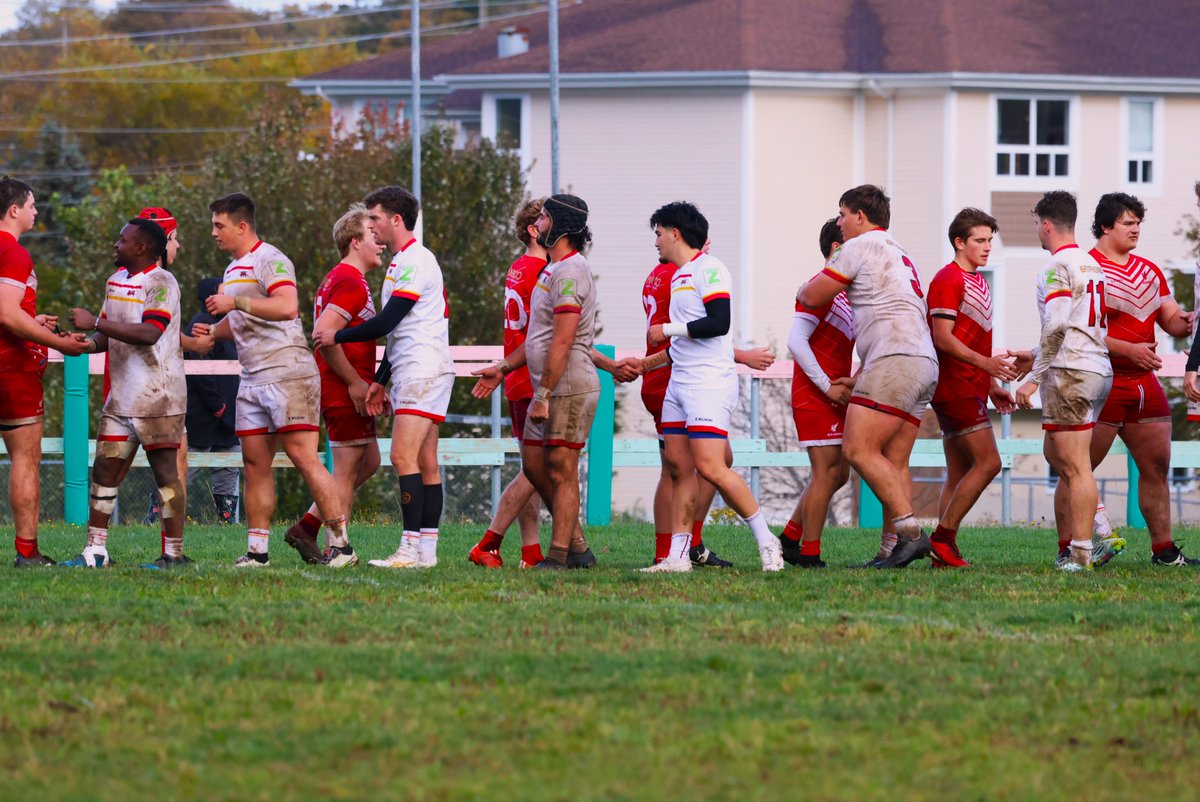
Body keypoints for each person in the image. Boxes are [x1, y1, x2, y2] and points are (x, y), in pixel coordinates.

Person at [203, 192, 350, 567]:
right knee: (254, 464)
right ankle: (257, 552)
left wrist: (234, 303)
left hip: (288, 371)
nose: (214, 233)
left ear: (241, 226)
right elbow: (240, 324)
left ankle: (342, 546)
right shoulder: (232, 269)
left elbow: (286, 307)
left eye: (219, 225)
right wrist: (205, 335)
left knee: (303, 456)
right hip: (252, 376)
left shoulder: (271, 258)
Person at [799, 185, 939, 568]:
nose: (840, 223)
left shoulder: (858, 246)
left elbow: (812, 296)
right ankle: (891, 548)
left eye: (842, 214)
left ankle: (911, 535)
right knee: (894, 461)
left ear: (861, 216)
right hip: (923, 361)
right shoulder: (899, 250)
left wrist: (802, 286)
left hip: (895, 360)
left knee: (857, 449)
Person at [315, 186, 454, 569]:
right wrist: (380, 378)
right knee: (426, 460)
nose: (370, 224)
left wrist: (337, 335)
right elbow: (398, 333)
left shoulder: (415, 260)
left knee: (401, 455)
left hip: (423, 369)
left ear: (395, 220)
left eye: (374, 217)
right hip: (416, 367)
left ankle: (409, 548)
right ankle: (426, 552)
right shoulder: (400, 262)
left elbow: (389, 320)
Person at [643, 201, 782, 572]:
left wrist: (666, 330)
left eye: (658, 233)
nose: (655, 241)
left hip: (708, 383)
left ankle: (768, 542)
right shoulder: (676, 276)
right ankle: (677, 557)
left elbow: (718, 323)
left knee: (712, 467)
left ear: (676, 233)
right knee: (678, 468)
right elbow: (682, 342)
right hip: (680, 382)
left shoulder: (712, 268)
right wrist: (644, 364)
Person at [469, 194, 602, 570]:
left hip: (567, 386)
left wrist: (543, 393)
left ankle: (559, 555)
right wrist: (504, 367)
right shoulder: (550, 268)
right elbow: (537, 338)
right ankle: (576, 546)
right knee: (534, 464)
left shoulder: (572, 270)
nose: (537, 224)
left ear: (560, 225)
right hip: (544, 384)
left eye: (543, 218)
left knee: (562, 468)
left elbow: (563, 339)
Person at [62, 217, 190, 568]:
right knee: (104, 470)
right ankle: (96, 551)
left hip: (159, 397)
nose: (115, 246)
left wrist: (96, 323)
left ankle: (173, 555)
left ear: (141, 247)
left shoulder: (162, 282)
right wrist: (86, 344)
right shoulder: (115, 281)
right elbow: (107, 335)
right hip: (121, 399)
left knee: (165, 473)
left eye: (122, 241)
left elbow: (151, 332)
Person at [1089, 193, 1196, 566]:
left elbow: (1170, 319)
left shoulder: (1148, 269)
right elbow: (1078, 329)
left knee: (1156, 468)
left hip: (1144, 384)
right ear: (1105, 226)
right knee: (1078, 469)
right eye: (1127, 223)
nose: (1136, 229)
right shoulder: (1085, 267)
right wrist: (1126, 349)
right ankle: (1071, 549)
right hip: (1101, 381)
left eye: (1138, 223)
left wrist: (1190, 320)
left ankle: (1164, 551)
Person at [1013, 191, 1113, 572]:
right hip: (1097, 367)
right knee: (1056, 454)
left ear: (1047, 224)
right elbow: (1076, 325)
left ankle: (1084, 552)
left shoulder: (1055, 267)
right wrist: (1034, 355)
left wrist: (1033, 380)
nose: (1036, 230)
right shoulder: (1091, 263)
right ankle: (1102, 528)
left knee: (1074, 467)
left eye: (1037, 223)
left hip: (1071, 372)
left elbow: (1056, 325)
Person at [0, 176, 91, 567]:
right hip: (10, 367)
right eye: (32, 205)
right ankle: (27, 552)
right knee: (25, 458)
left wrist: (34, 321)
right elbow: (5, 314)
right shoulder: (14, 253)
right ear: (14, 210)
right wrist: (59, 344)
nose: (37, 212)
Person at [293, 204, 385, 568]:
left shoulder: (341, 277)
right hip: (343, 388)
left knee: (371, 460)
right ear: (354, 241)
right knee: (345, 470)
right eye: (371, 232)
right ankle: (337, 548)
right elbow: (323, 336)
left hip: (345, 386)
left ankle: (307, 526)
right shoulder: (347, 279)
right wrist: (355, 383)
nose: (379, 239)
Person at [926, 209, 1018, 567]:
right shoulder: (947, 279)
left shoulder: (978, 280)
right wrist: (987, 366)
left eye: (990, 241)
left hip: (973, 386)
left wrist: (992, 383)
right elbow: (942, 339)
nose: (987, 247)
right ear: (959, 242)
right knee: (989, 463)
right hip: (954, 387)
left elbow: (974, 341)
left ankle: (942, 552)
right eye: (979, 240)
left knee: (958, 473)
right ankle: (941, 538)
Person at [468, 197, 549, 569]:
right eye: (550, 219)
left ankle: (530, 553)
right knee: (538, 468)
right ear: (534, 230)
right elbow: (547, 332)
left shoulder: (518, 266)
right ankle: (489, 541)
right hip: (535, 379)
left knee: (530, 466)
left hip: (518, 378)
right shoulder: (542, 271)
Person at [781, 218, 855, 569]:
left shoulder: (845, 294)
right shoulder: (818, 288)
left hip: (834, 394)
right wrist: (827, 386)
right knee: (826, 473)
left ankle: (790, 537)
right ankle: (808, 554)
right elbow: (795, 342)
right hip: (816, 395)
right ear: (837, 249)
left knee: (838, 475)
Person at [184, 278, 241, 524]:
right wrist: (217, 405)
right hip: (204, 415)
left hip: (228, 417)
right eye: (222, 291)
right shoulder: (201, 324)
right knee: (186, 467)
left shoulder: (227, 325)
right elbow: (199, 368)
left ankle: (227, 520)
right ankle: (156, 516)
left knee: (229, 466)